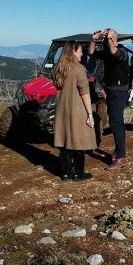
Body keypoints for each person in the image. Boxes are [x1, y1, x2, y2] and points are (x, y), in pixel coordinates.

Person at [52, 40, 96, 181]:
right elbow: (84, 93)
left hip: (61, 110)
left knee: (64, 141)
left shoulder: (58, 69)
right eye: (80, 50)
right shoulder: (79, 69)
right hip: (76, 110)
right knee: (78, 142)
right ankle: (78, 173)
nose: (82, 53)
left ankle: (66, 173)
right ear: (73, 51)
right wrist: (90, 114)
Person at [88, 28, 130, 170]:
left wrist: (110, 37)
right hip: (111, 91)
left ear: (114, 39)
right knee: (117, 122)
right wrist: (94, 40)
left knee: (115, 123)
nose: (105, 41)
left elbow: (115, 53)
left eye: (108, 38)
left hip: (119, 92)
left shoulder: (122, 51)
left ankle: (121, 157)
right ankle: (120, 151)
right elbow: (91, 53)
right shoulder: (106, 51)